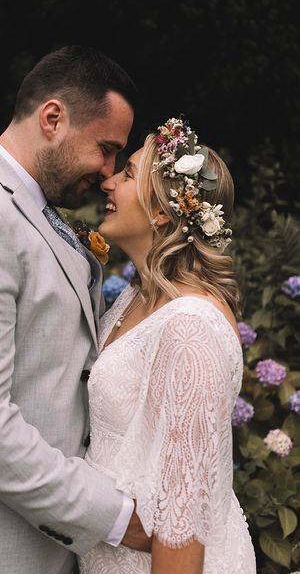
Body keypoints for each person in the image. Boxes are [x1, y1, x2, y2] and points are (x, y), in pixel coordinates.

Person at [79, 117, 257, 573]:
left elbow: (184, 519)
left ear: (161, 211)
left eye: (128, 173)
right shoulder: (135, 299)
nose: (109, 179)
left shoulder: (193, 326)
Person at [0, 44, 147, 574]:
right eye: (106, 148)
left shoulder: (38, 208)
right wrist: (114, 517)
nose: (108, 172)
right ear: (53, 117)